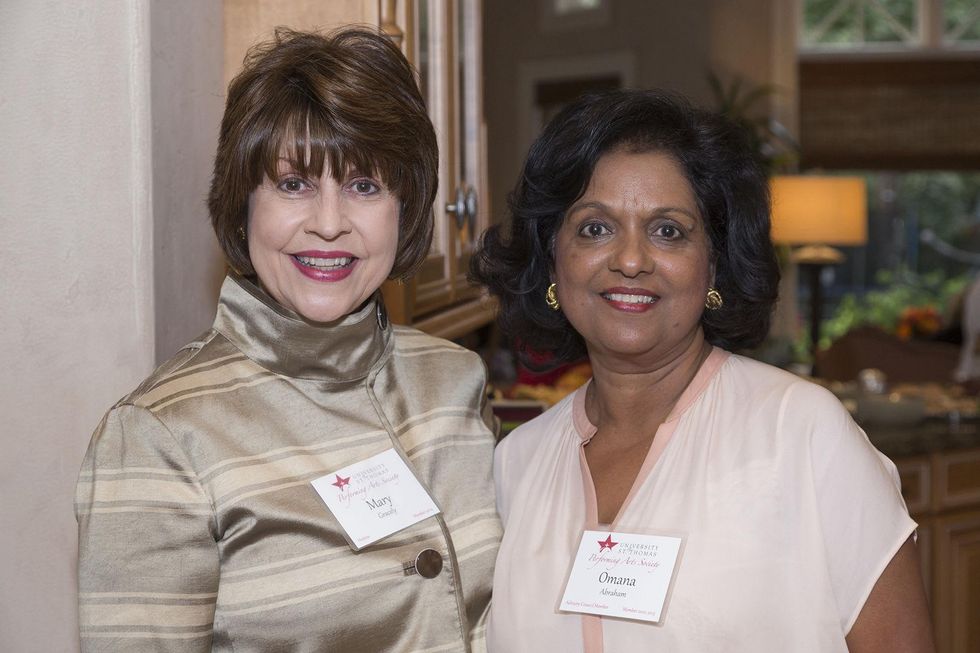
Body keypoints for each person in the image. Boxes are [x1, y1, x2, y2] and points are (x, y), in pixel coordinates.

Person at [75, 28, 500, 652]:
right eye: (293, 184)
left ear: (404, 209)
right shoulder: (158, 436)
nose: (329, 224)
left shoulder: (457, 379)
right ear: (242, 204)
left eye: (364, 186)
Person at [472, 89, 934, 652]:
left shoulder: (804, 435)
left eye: (668, 230)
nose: (631, 259)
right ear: (552, 257)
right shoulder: (517, 465)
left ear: (713, 261)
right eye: (595, 228)